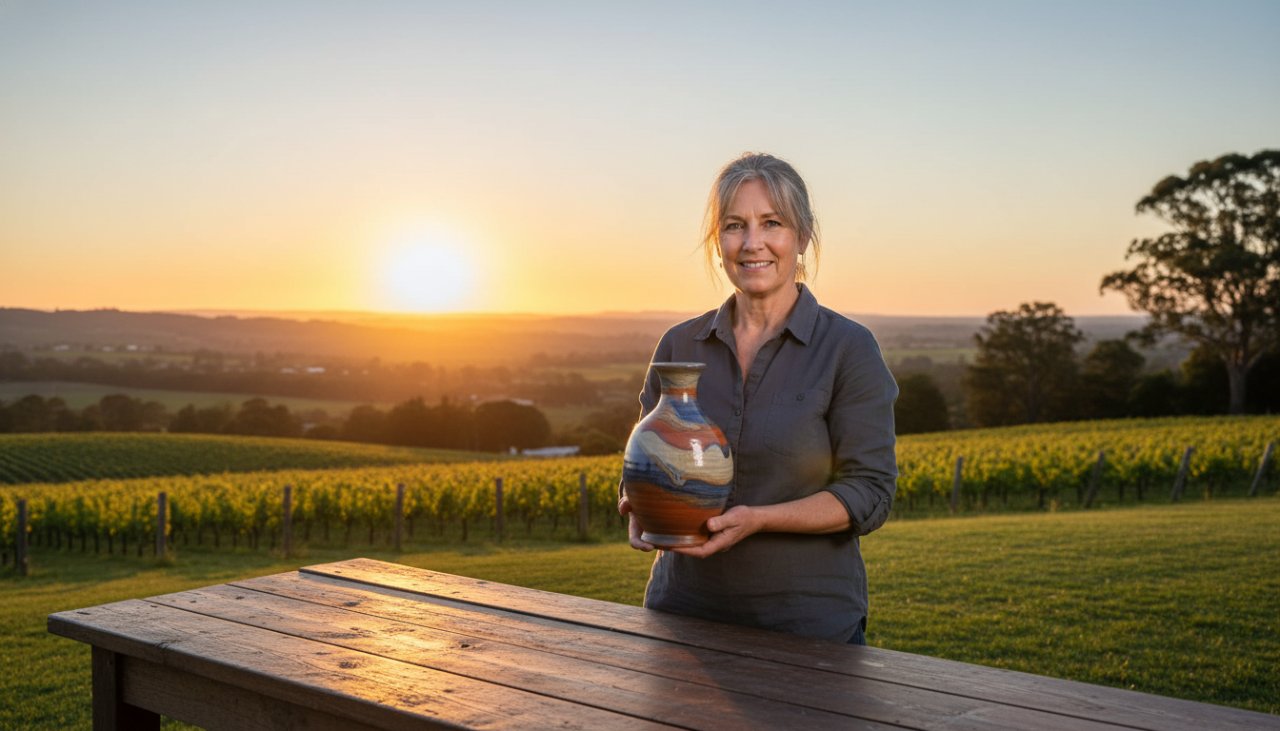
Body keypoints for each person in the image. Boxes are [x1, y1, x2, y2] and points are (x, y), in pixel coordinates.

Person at [618, 152, 898, 644]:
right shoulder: (679, 346)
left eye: (772, 223)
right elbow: (640, 468)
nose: (752, 244)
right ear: (717, 240)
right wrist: (634, 505)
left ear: (802, 236)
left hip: (807, 627)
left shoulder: (848, 349)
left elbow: (870, 492)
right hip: (682, 616)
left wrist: (760, 520)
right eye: (733, 225)